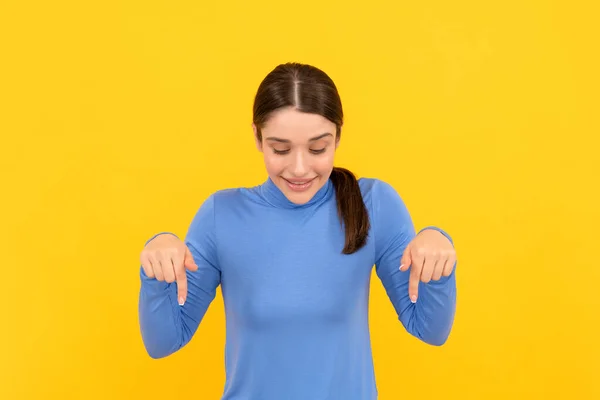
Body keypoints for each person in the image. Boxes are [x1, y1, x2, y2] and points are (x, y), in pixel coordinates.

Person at [138, 62, 457, 400]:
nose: (300, 168)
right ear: (257, 137)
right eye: (281, 149)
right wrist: (158, 263)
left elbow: (429, 329)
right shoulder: (222, 215)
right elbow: (165, 341)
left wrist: (437, 249)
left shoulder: (373, 204)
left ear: (338, 136)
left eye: (318, 148)